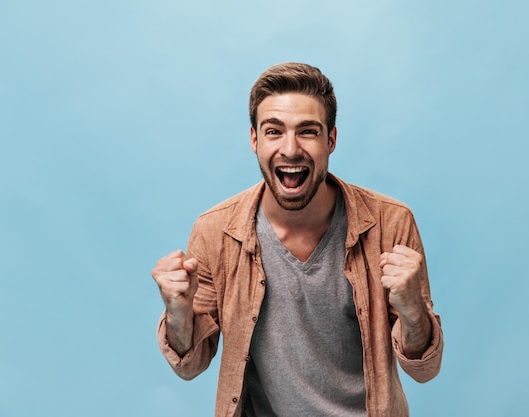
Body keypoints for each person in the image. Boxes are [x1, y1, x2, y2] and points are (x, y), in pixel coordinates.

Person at [151, 62, 443, 417]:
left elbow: (424, 369)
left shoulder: (391, 224)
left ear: (330, 140)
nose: (290, 149)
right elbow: (190, 365)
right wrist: (178, 313)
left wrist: (413, 309)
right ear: (254, 139)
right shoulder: (215, 233)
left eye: (307, 131)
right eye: (274, 131)